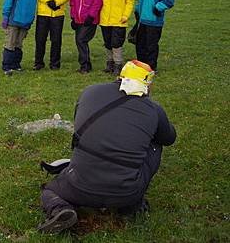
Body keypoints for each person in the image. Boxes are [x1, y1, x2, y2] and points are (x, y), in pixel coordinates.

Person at [37, 60, 176, 234]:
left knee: (50, 190)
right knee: (157, 141)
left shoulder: (90, 91)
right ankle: (131, 206)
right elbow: (169, 138)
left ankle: (60, 209)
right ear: (147, 84)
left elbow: (78, 126)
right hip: (126, 192)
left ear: (120, 76)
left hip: (80, 185)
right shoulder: (154, 110)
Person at [134, 0, 175, 71]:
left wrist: (158, 7)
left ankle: (151, 68)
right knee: (140, 44)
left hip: (154, 20)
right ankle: (141, 67)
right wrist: (137, 9)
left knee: (151, 46)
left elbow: (170, 0)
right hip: (142, 20)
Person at [1, 0, 37, 75]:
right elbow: (8, 0)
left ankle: (16, 65)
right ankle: (7, 67)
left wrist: (31, 19)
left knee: (19, 44)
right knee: (10, 43)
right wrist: (5, 16)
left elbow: (33, 4)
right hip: (14, 20)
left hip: (25, 22)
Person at [99, 0, 135, 76]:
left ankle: (118, 65)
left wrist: (125, 15)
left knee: (116, 43)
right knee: (108, 43)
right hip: (105, 20)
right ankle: (109, 64)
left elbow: (130, 1)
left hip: (119, 21)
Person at [69, 0, 103, 73]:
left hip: (89, 20)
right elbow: (73, 2)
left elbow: (97, 2)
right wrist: (73, 17)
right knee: (80, 41)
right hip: (78, 20)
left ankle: (84, 66)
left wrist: (91, 16)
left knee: (81, 40)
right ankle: (86, 65)